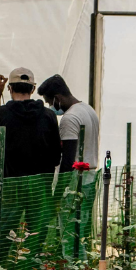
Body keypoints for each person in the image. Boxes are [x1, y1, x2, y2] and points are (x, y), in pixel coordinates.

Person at [0, 68, 61, 270]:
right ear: (33, 89)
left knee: (2, 234)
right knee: (35, 236)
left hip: (12, 184)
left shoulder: (3, 113)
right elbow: (56, 156)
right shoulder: (48, 116)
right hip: (40, 186)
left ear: (10, 88)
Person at [37, 74, 100, 258]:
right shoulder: (88, 110)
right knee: (79, 232)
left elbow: (68, 161)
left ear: (57, 98)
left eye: (50, 102)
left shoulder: (69, 119)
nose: (51, 107)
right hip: (90, 179)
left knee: (69, 233)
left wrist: (57, 196)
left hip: (75, 183)